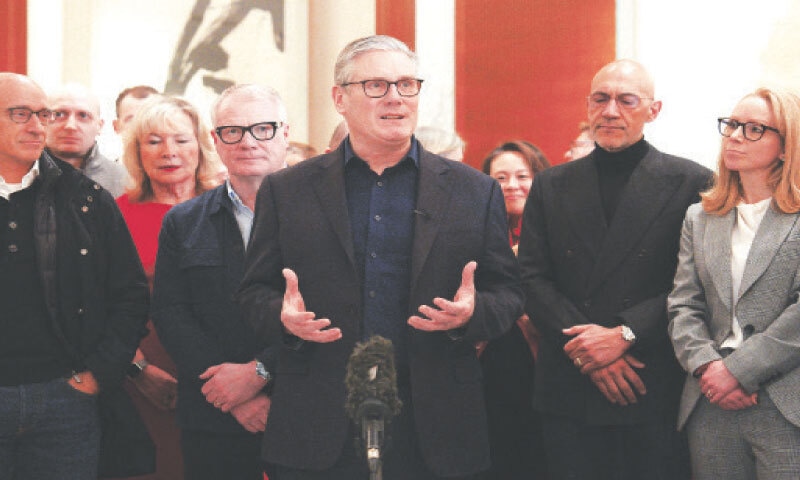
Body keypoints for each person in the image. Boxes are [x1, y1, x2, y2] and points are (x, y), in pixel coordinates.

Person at [238, 35, 523, 479]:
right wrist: (282, 318)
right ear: (340, 98)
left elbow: (507, 292)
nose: (395, 98)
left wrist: (473, 313)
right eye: (376, 85)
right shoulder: (287, 190)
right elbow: (254, 293)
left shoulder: (473, 190)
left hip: (434, 424)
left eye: (406, 85)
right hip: (319, 423)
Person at [517, 59, 712, 480]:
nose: (610, 111)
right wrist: (592, 351)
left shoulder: (693, 182)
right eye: (601, 99)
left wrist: (625, 333)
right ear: (587, 106)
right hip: (569, 383)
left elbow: (699, 284)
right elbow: (531, 277)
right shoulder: (551, 184)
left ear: (653, 110)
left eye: (627, 100)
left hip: (647, 379)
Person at [0, 73, 151, 478]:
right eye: (20, 114)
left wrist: (99, 373)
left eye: (41, 114)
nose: (37, 126)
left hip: (63, 401)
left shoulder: (86, 199)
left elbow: (130, 294)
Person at [151, 84, 289, 480]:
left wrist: (262, 372)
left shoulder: (325, 218)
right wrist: (233, 394)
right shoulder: (184, 220)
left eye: (262, 129)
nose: (248, 141)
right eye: (232, 131)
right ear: (215, 140)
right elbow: (171, 313)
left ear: (284, 133)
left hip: (300, 406)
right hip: (213, 412)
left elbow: (337, 307)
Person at [668, 87, 800, 479]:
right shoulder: (701, 216)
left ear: (785, 145)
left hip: (784, 400)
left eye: (755, 128)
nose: (736, 135)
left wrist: (740, 370)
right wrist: (709, 367)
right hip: (711, 401)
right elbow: (684, 305)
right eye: (732, 124)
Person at [115, 95, 223, 480]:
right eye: (154, 141)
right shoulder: (115, 214)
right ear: (137, 152)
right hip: (142, 379)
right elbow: (96, 304)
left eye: (180, 139)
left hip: (223, 377)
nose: (169, 152)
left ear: (201, 145)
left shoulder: (226, 208)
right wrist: (138, 369)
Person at [480, 140, 550, 479]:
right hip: (490, 363)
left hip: (545, 361)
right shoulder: (474, 230)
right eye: (500, 178)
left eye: (522, 176)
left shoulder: (556, 230)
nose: (512, 186)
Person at [45, 83, 129, 197]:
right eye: (59, 114)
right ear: (42, 121)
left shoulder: (126, 183)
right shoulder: (20, 176)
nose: (71, 126)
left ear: (99, 126)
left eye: (83, 116)